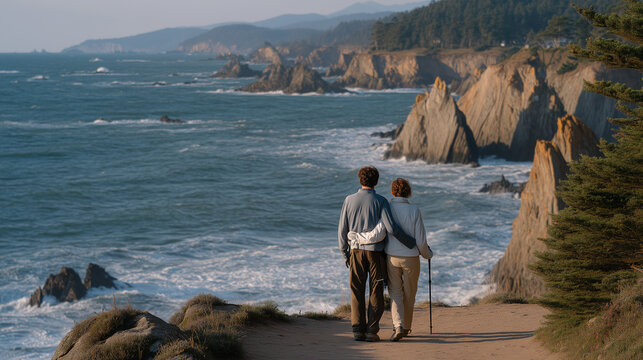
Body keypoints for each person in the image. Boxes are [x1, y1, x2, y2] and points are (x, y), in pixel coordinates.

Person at [338, 167, 417, 342]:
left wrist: (345, 253)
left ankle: (358, 329)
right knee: (376, 291)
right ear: (376, 181)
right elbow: (391, 229)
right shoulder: (381, 201)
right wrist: (411, 243)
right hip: (376, 254)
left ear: (360, 180)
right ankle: (372, 331)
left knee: (356, 290)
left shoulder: (349, 200)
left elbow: (342, 230)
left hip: (356, 252)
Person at [348, 178, 432, 342]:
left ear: (393, 192)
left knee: (395, 293)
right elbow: (421, 242)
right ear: (408, 192)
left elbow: (380, 232)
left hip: (391, 257)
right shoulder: (415, 210)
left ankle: (398, 325)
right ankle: (406, 327)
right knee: (410, 293)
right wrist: (428, 254)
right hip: (411, 258)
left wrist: (355, 238)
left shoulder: (386, 208)